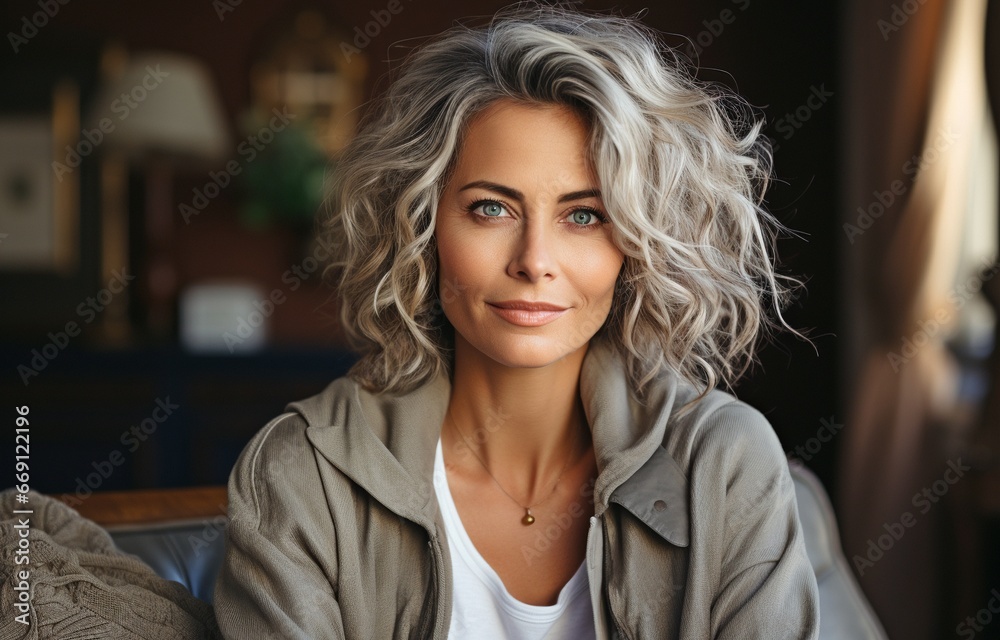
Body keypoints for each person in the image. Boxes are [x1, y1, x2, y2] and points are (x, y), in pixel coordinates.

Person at [214, 3, 820, 638]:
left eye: (583, 215)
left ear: (638, 244)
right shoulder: (307, 474)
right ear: (422, 225)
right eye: (491, 209)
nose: (534, 261)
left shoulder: (725, 465)